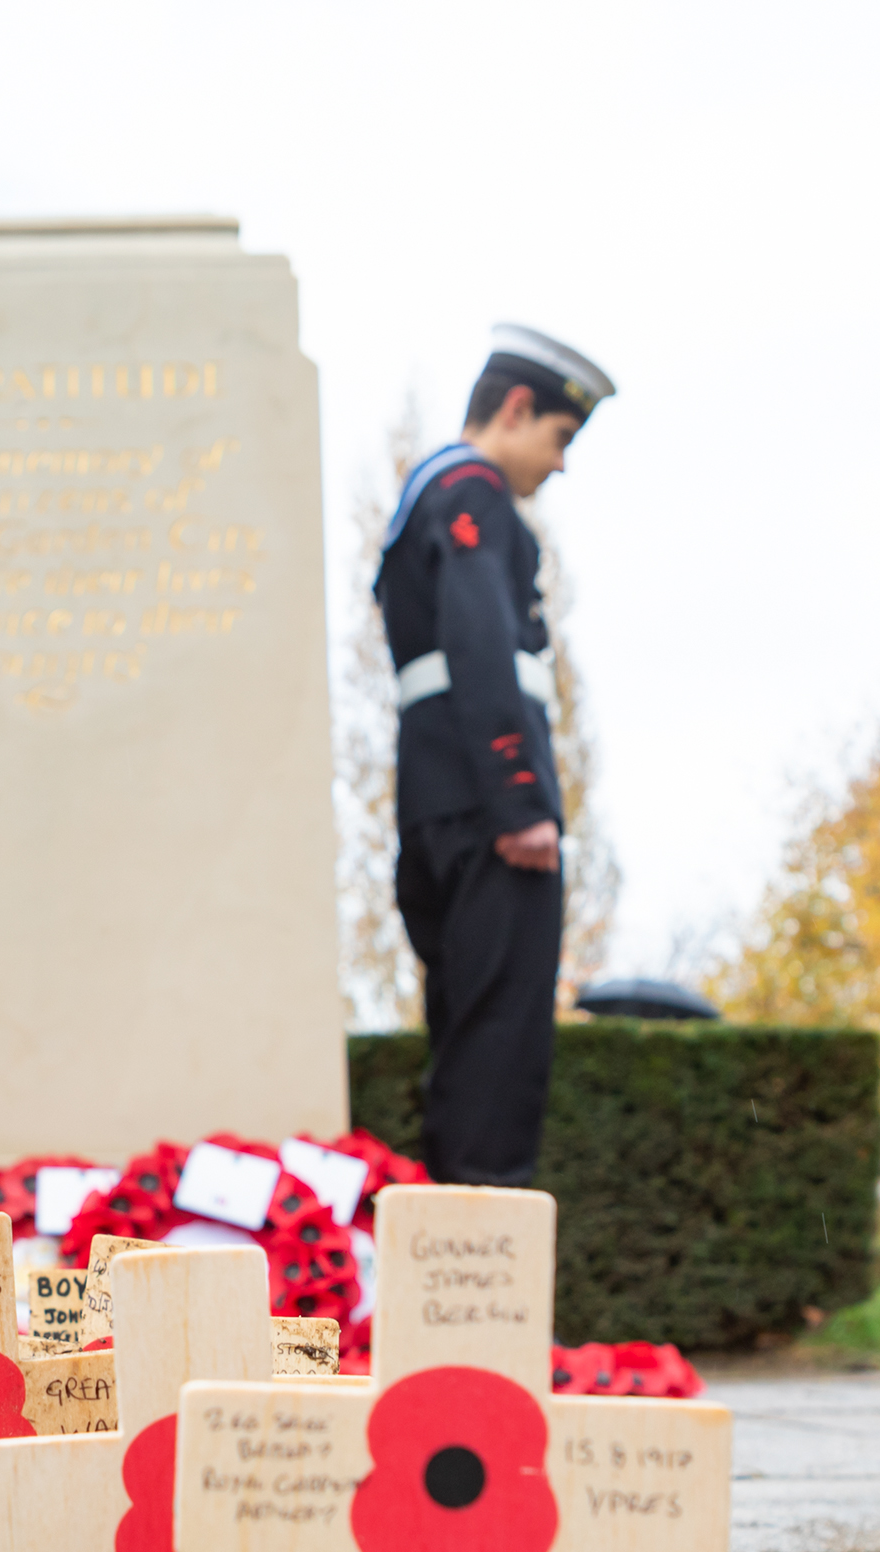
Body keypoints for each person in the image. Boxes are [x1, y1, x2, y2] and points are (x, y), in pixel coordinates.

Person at [374, 324, 615, 1184]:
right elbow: (480, 643)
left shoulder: (425, 500)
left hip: (437, 800)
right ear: (516, 410)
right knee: (500, 1050)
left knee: (467, 1033)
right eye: (559, 438)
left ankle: (454, 1282)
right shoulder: (472, 493)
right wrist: (520, 804)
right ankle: (481, 1290)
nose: (559, 465)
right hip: (487, 813)